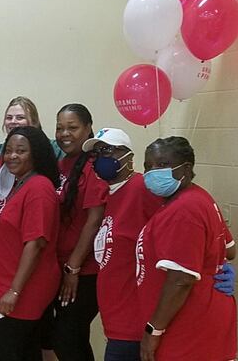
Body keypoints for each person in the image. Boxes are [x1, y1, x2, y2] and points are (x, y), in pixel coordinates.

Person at [137, 137, 237, 361]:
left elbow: (181, 279)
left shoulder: (184, 209)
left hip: (189, 327)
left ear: (186, 168)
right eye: (147, 166)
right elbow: (230, 250)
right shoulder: (198, 196)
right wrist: (215, 264)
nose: (153, 172)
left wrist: (154, 330)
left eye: (162, 165)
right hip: (204, 318)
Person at [80, 128, 162, 361]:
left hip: (134, 322)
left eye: (107, 150)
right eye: (96, 153)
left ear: (127, 155)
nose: (100, 158)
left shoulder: (141, 188)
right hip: (117, 320)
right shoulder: (112, 193)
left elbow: (177, 222)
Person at [0, 126, 61, 361]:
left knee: (3, 352)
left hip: (21, 291)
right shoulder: (21, 184)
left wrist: (14, 291)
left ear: (35, 154)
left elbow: (35, 243)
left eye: (21, 151)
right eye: (8, 151)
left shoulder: (39, 188)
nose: (12, 156)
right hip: (5, 285)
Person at [49, 103, 108, 361]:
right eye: (60, 128)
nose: (64, 134)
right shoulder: (62, 164)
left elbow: (94, 220)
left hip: (84, 271)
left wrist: (73, 268)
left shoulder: (95, 166)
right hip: (59, 265)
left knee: (69, 338)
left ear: (88, 129)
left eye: (72, 128)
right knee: (66, 339)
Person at [0, 97, 63, 207]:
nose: (13, 121)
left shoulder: (53, 149)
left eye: (20, 117)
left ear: (34, 122)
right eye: (9, 118)